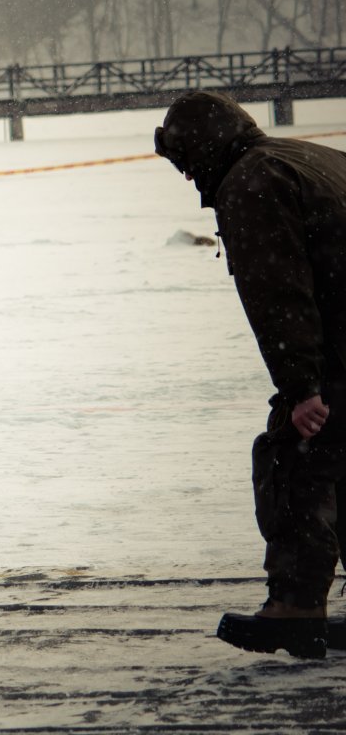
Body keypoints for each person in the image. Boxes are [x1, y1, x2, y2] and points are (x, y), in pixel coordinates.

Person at [155, 90, 346, 659]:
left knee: (295, 456)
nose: (187, 177)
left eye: (185, 162)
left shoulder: (252, 182)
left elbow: (278, 293)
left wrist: (301, 388)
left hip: (336, 350)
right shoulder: (310, 156)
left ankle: (296, 608)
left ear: (203, 149)